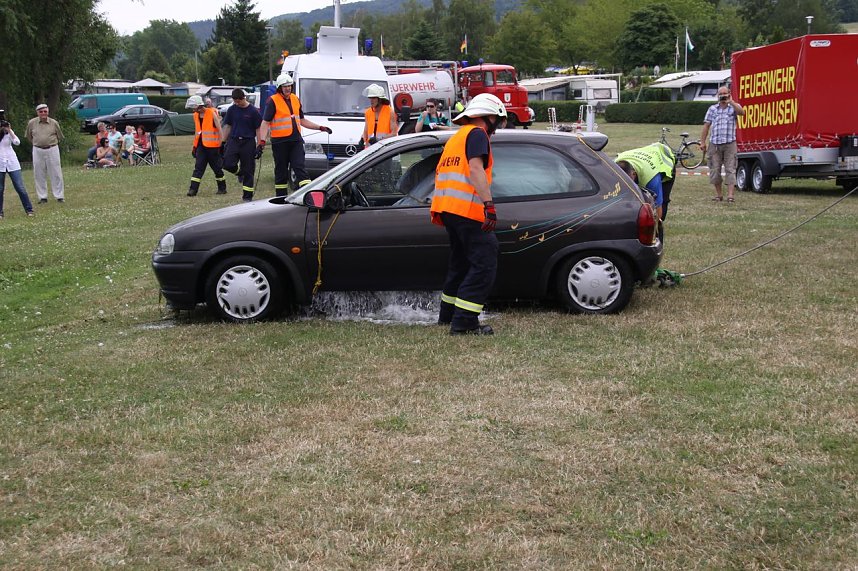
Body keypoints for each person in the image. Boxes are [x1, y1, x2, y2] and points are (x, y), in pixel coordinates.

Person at [430, 93, 507, 336]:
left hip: (449, 209)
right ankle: (464, 322)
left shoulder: (457, 136)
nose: (498, 126)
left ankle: (448, 315)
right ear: (488, 117)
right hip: (467, 210)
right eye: (498, 120)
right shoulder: (477, 134)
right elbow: (475, 169)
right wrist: (489, 205)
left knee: (461, 263)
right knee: (485, 262)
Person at [258, 73, 332, 196]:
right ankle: (281, 198)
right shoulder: (273, 101)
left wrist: (320, 127)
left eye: (289, 86)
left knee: (300, 168)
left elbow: (302, 120)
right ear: (279, 87)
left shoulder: (295, 99)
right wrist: (262, 141)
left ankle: (308, 196)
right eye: (285, 86)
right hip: (280, 143)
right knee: (281, 171)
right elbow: (265, 123)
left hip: (296, 141)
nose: (288, 88)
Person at [701, 86, 745, 203]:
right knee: (715, 169)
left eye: (725, 94)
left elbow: (742, 112)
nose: (723, 96)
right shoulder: (712, 109)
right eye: (721, 94)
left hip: (730, 143)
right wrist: (702, 142)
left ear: (729, 94)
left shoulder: (733, 108)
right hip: (714, 144)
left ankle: (730, 196)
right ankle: (719, 195)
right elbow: (706, 126)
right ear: (717, 95)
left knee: (730, 169)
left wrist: (731, 102)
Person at [615, 142, 676, 222]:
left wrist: (654, 228)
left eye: (628, 181)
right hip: (644, 156)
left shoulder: (651, 178)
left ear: (633, 174)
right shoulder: (611, 167)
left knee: (662, 202)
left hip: (664, 159)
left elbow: (658, 208)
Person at [222, 88, 263, 202]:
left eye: (238, 101)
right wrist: (222, 142)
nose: (236, 103)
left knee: (249, 170)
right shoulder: (232, 110)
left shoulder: (253, 111)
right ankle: (240, 173)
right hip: (234, 141)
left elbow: (258, 129)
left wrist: (259, 145)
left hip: (248, 142)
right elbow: (228, 126)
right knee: (227, 163)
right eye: (234, 101)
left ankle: (247, 196)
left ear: (243, 98)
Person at [186, 95, 227, 196]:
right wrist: (194, 146)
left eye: (193, 107)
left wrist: (222, 144)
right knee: (198, 168)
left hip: (213, 147)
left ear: (199, 106)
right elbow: (197, 132)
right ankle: (193, 190)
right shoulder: (195, 115)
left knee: (217, 168)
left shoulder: (211, 113)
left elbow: (219, 129)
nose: (192, 109)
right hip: (201, 146)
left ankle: (222, 188)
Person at [25, 103, 65, 204]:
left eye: (45, 111)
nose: (43, 113)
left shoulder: (54, 123)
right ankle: (42, 197)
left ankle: (59, 196)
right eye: (41, 112)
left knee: (56, 172)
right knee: (39, 173)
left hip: (52, 148)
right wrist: (38, 143)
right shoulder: (32, 123)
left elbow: (59, 136)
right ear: (37, 113)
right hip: (37, 149)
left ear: (48, 112)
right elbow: (29, 136)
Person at [0, 116, 35, 219]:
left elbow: (17, 142)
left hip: (12, 162)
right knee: (0, 189)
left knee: (20, 187)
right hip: (0, 163)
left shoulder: (8, 132)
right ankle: (0, 213)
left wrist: (9, 130)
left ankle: (29, 209)